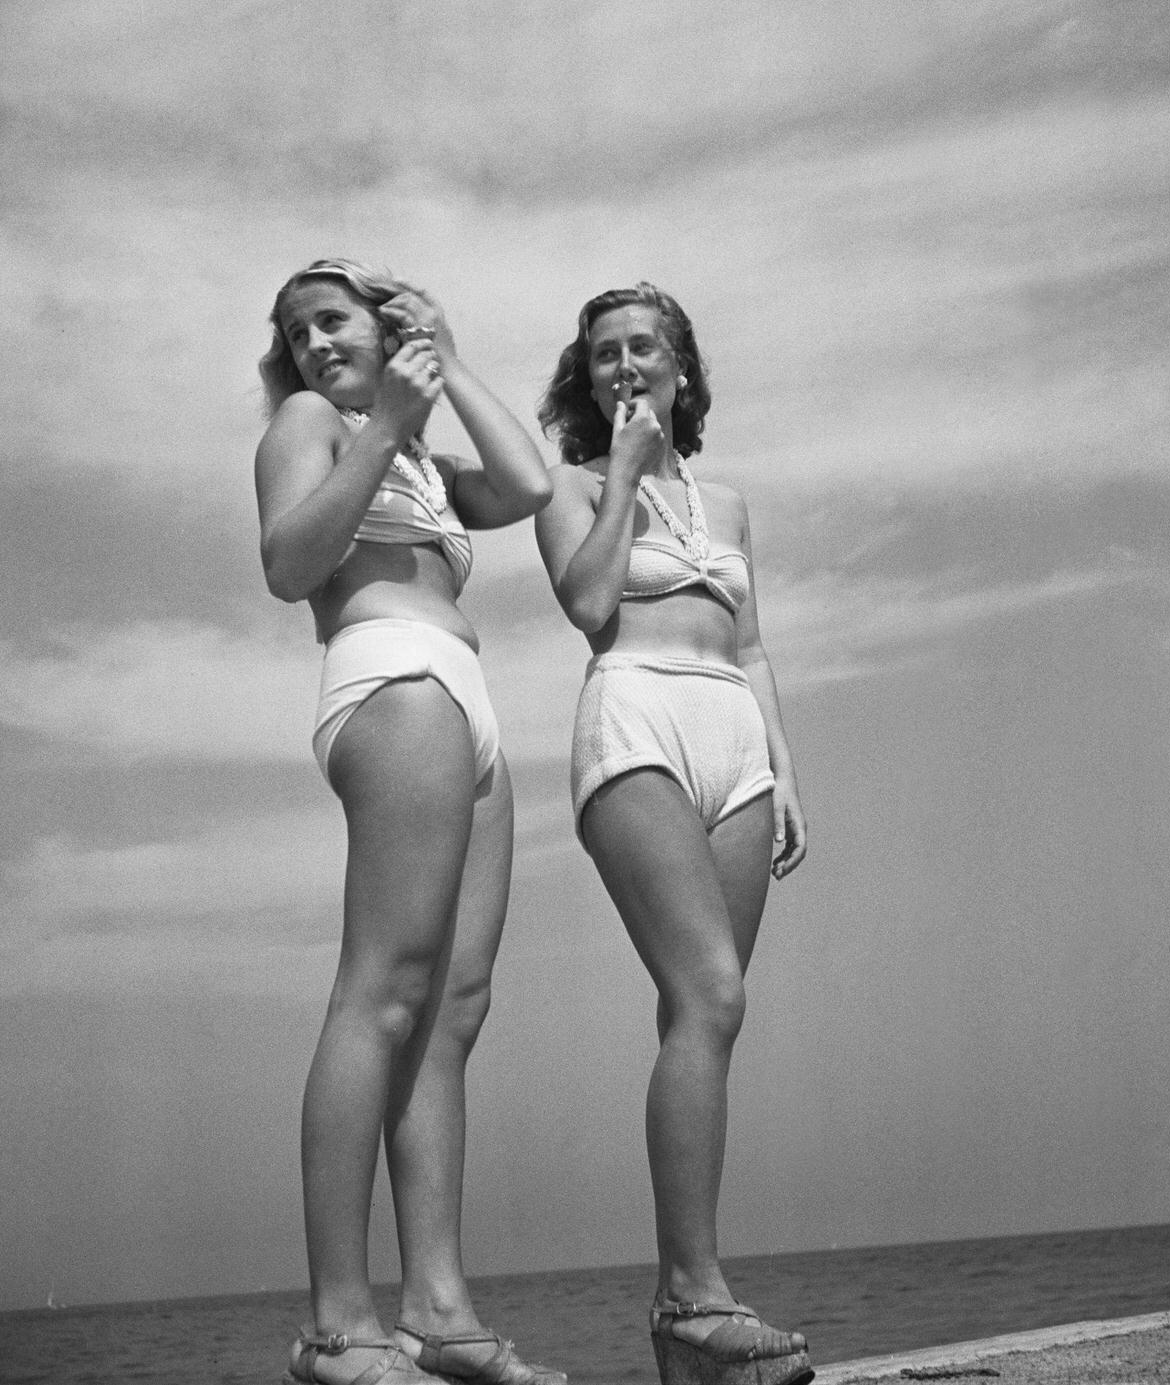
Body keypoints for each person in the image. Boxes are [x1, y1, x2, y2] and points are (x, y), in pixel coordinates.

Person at [255, 258, 562, 1385]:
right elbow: (289, 563)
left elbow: (528, 485)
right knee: (380, 990)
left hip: (463, 689)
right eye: (296, 333)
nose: (312, 346)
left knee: (451, 1010)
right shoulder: (308, 422)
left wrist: (448, 355)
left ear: (384, 330)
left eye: (330, 322)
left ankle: (437, 1306)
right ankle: (340, 1322)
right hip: (389, 676)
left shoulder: (422, 450)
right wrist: (380, 422)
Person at [534, 284, 814, 1385]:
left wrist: (783, 769)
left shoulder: (730, 506)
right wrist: (622, 467)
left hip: (732, 737)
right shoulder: (566, 487)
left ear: (681, 367)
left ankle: (681, 1323)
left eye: (642, 346)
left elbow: (751, 646)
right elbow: (587, 596)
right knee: (711, 994)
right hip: (634, 712)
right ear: (584, 377)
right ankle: (696, 1297)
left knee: (700, 1014)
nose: (623, 364)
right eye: (602, 353)